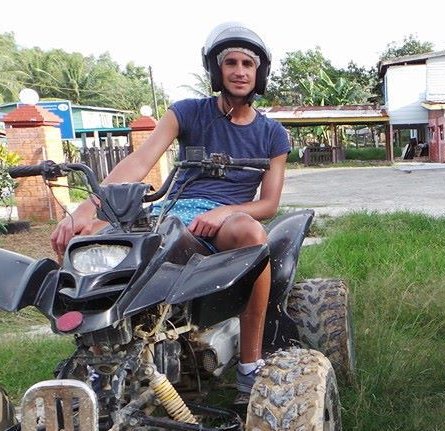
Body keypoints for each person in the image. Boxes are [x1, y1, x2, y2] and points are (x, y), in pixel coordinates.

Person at [49, 22, 289, 407]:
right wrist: (85, 209)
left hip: (228, 221)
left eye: (248, 64)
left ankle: (249, 365)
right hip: (171, 212)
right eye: (231, 63)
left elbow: (269, 204)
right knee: (88, 238)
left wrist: (227, 211)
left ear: (259, 73)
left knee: (252, 234)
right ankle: (99, 360)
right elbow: (139, 161)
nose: (240, 71)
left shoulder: (273, 133)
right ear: (216, 70)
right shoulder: (187, 112)